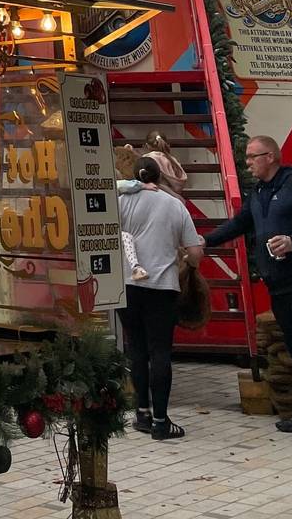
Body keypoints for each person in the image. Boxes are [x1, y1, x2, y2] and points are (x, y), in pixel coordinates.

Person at [204, 135, 292, 448]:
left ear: (271, 157)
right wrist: (205, 242)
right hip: (278, 284)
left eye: (252, 157)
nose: (247, 163)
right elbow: (240, 223)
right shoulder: (259, 192)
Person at [118, 158, 204, 440]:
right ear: (160, 177)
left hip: (128, 285)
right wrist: (186, 259)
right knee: (160, 352)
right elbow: (194, 252)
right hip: (162, 287)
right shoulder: (175, 205)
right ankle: (160, 420)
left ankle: (141, 412)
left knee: (137, 349)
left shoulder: (120, 202)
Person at [143, 130, 188, 196]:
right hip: (173, 196)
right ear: (166, 144)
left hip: (155, 194)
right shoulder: (172, 160)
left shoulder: (147, 158)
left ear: (147, 145)